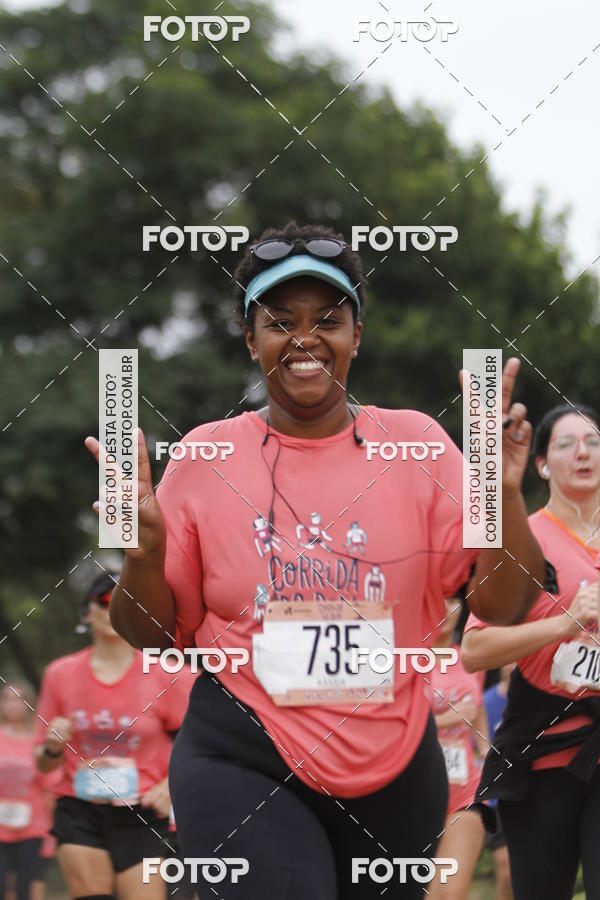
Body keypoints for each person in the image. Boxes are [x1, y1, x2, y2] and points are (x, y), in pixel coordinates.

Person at [86, 222, 545, 899]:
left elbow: (505, 604)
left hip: (394, 761)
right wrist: (145, 555)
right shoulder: (205, 457)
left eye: (328, 319)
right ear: (252, 339)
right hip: (242, 750)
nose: (305, 337)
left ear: (356, 335)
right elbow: (148, 632)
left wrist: (504, 494)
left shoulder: (418, 444)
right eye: (280, 321)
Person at [462, 404, 600, 900]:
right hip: (543, 758)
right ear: (541, 464)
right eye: (565, 444)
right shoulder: (527, 540)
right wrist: (563, 624)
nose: (582, 453)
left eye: (593, 442)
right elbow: (474, 650)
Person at [34, 572, 195, 900]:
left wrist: (169, 786)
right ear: (86, 612)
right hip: (79, 807)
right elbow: (43, 765)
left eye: (124, 602)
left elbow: (198, 744)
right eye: (103, 602)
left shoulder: (166, 672)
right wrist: (52, 747)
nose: (111, 610)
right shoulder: (60, 675)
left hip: (144, 812)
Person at [427, 596, 491, 900]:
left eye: (453, 599)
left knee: (453, 892)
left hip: (464, 785)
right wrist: (446, 719)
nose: (446, 607)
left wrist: (488, 751)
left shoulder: (468, 658)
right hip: (418, 789)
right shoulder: (402, 659)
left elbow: (476, 710)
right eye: (438, 598)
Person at [0, 680, 55, 900]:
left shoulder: (39, 742)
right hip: (1, 827)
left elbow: (50, 787)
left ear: (30, 704)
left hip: (33, 827)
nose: (13, 705)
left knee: (26, 886)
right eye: (8, 699)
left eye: (19, 700)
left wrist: (51, 831)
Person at [483, 664, 515, 900]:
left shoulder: (536, 701)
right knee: (505, 869)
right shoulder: (485, 701)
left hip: (533, 791)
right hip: (497, 798)